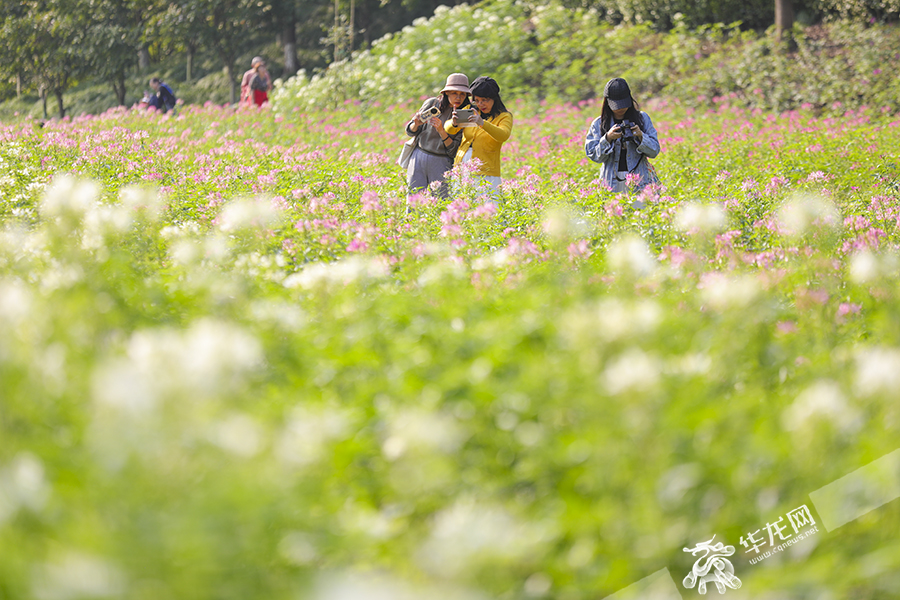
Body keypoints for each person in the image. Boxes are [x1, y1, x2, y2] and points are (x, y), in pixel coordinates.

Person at [584, 77, 660, 195]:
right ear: (607, 102)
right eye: (617, 105)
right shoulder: (599, 124)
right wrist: (608, 138)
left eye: (623, 104)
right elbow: (593, 156)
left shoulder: (642, 119)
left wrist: (640, 137)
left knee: (641, 212)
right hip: (611, 183)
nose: (621, 108)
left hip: (640, 181)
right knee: (615, 212)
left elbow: (654, 151)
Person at [404, 73, 470, 198]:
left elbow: (453, 150)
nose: (458, 97)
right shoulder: (432, 103)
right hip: (419, 155)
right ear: (446, 93)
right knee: (414, 200)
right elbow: (409, 131)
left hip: (442, 161)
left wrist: (442, 131)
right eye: (455, 93)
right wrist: (416, 124)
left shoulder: (463, 115)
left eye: (462, 94)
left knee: (441, 201)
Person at [445, 75, 513, 198]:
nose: (481, 104)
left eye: (485, 100)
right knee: (461, 204)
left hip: (486, 168)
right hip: (462, 165)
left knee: (487, 206)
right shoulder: (470, 110)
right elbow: (449, 129)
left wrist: (482, 123)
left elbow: (503, 135)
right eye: (477, 100)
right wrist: (454, 123)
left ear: (494, 99)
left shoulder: (504, 116)